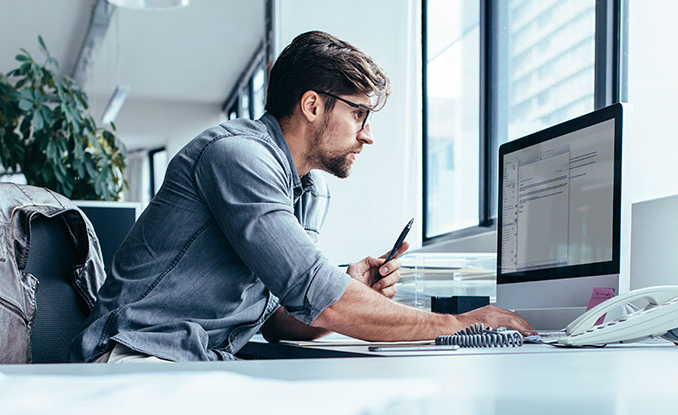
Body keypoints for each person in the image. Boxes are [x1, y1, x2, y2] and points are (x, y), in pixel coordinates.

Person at [70, 31, 530, 363]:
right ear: (313, 105)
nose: (368, 135)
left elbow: (276, 319)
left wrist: (349, 286)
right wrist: (459, 326)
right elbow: (319, 294)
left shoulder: (309, 189)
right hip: (136, 358)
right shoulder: (237, 157)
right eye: (359, 114)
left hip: (199, 363)